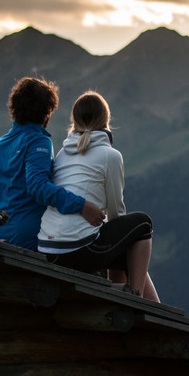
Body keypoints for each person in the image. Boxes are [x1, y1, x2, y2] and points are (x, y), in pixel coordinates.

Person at [37, 90, 160, 302]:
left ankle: (150, 305)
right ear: (106, 120)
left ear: (74, 120)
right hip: (77, 249)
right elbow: (116, 214)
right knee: (142, 224)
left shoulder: (63, 153)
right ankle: (136, 300)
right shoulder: (110, 155)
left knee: (120, 248)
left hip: (48, 248)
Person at [0, 77, 105, 250]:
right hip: (26, 237)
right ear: (47, 112)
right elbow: (38, 187)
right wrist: (82, 206)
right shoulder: (38, 141)